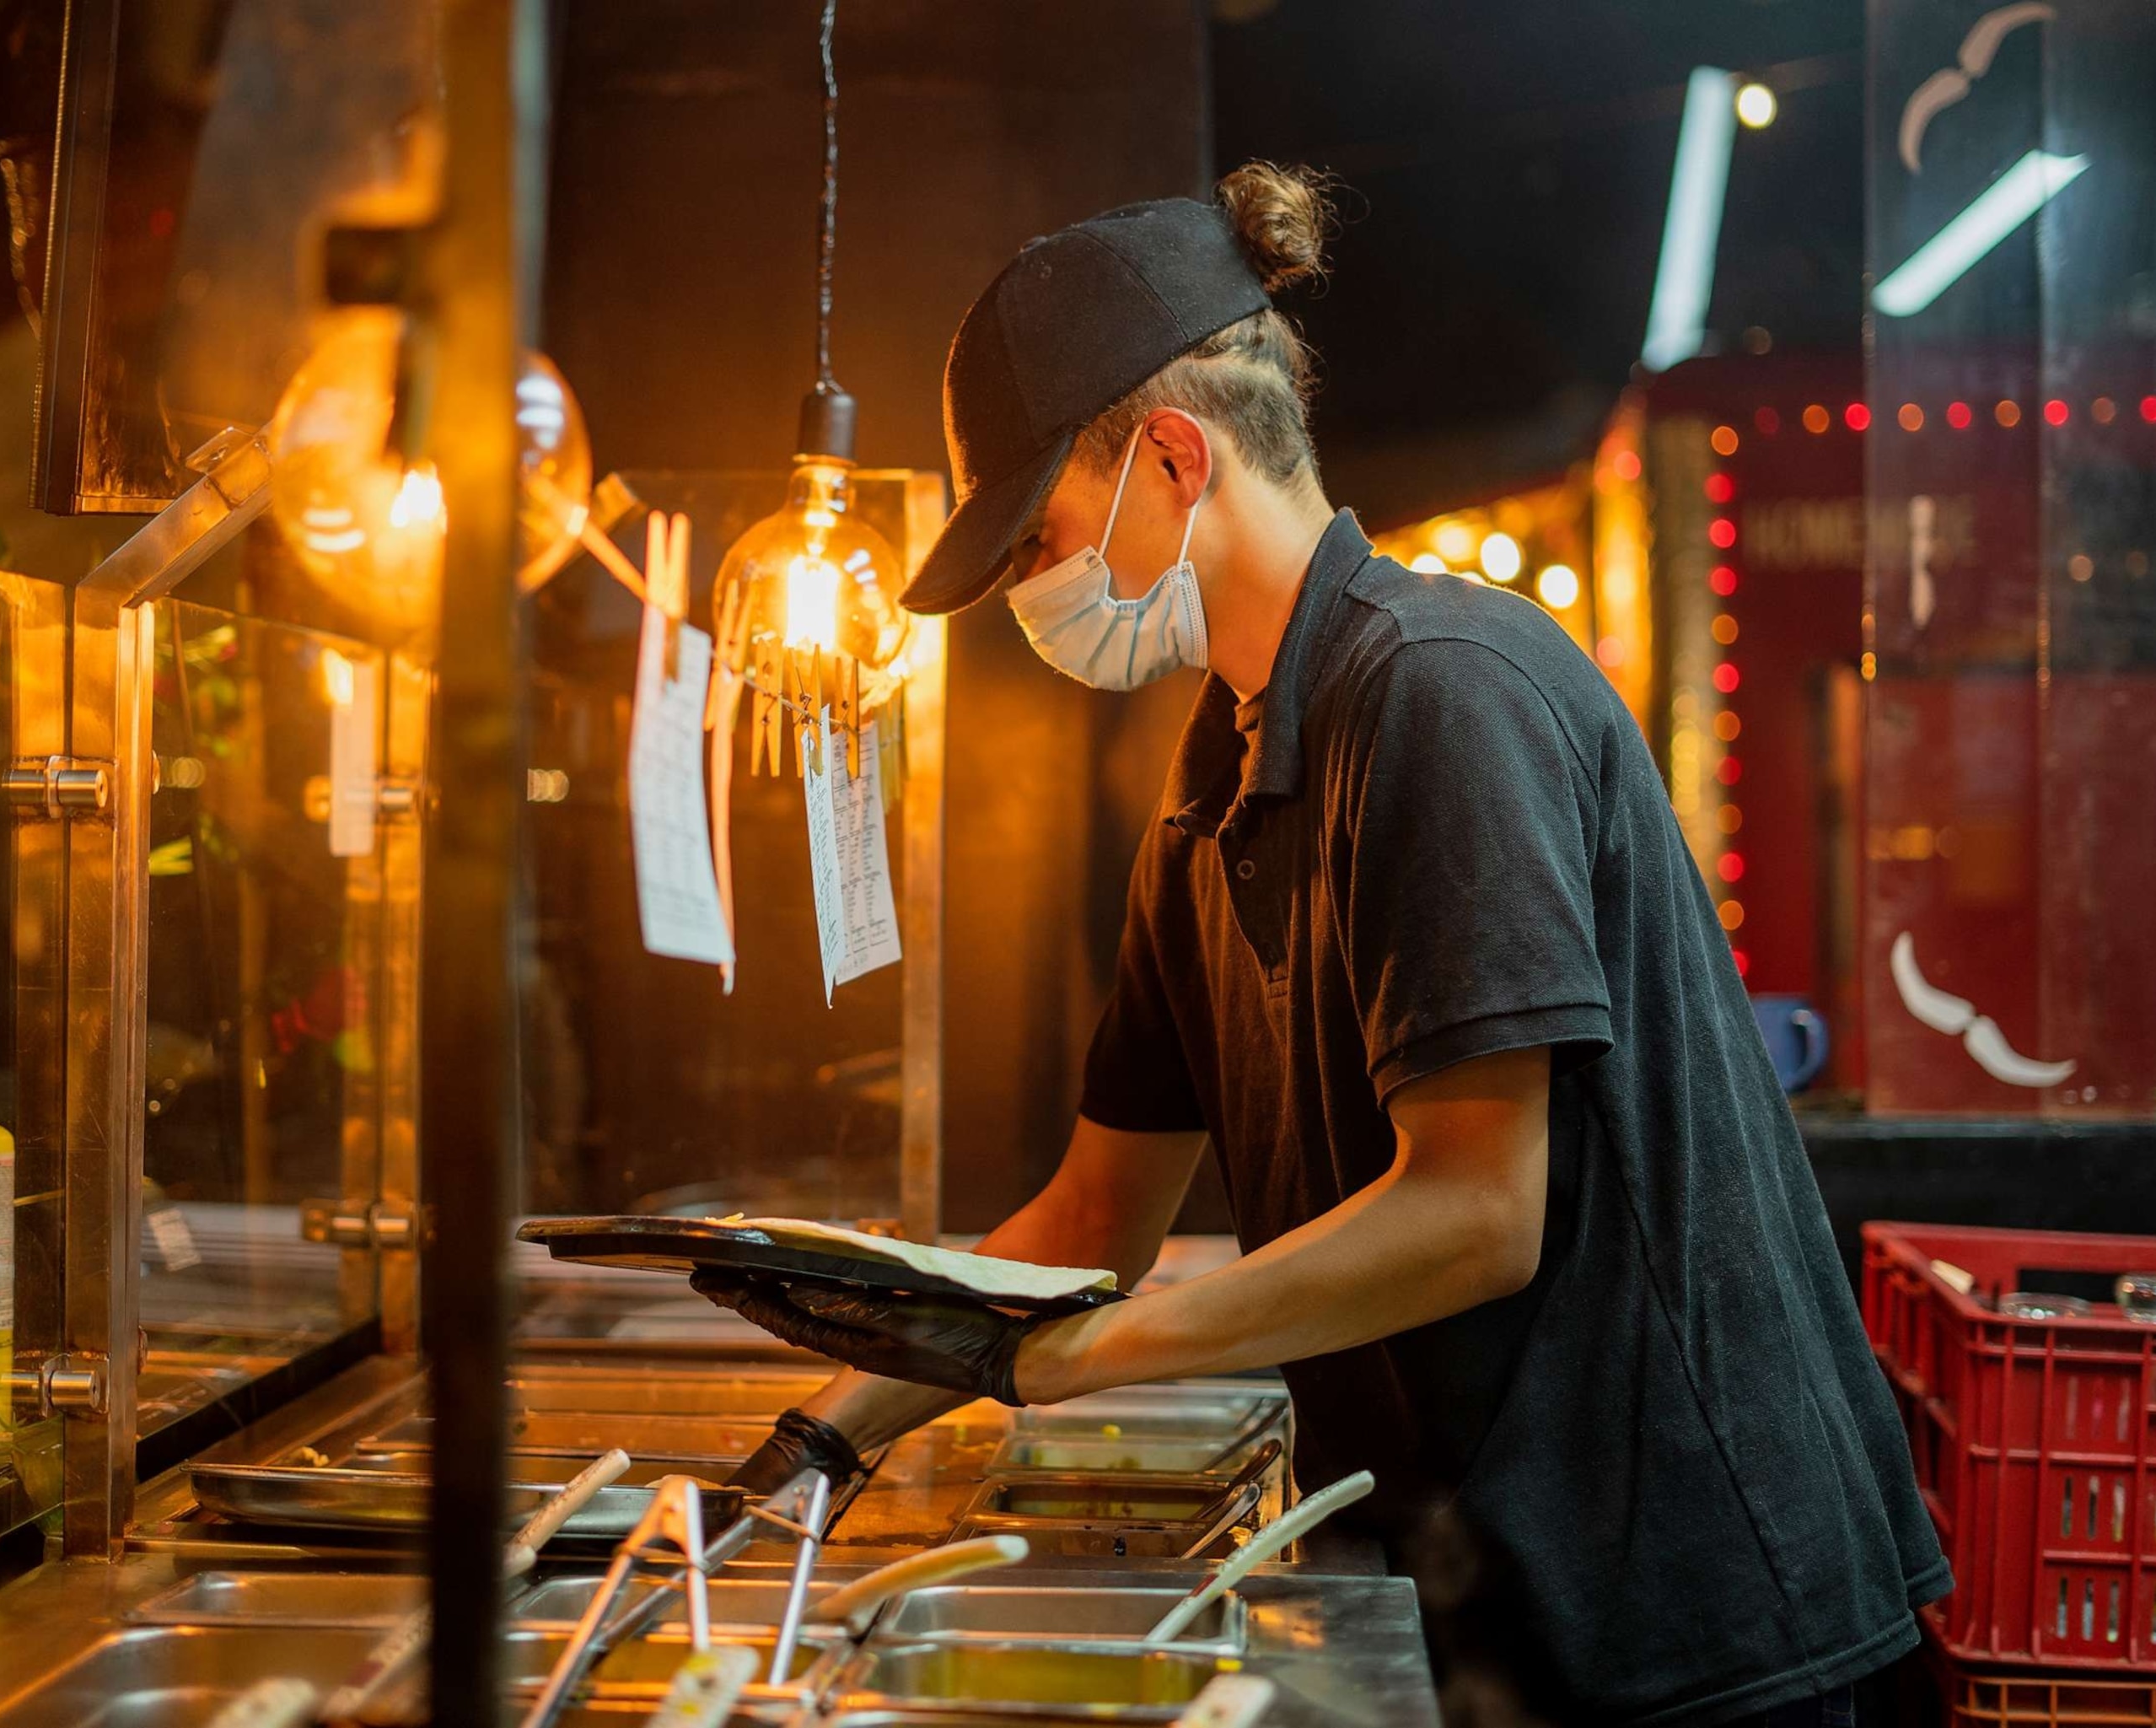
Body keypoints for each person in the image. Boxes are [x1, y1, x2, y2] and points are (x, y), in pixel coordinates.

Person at [695, 164, 1948, 1726]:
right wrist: (828, 1425)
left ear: (1170, 458)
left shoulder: (1441, 690)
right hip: (1493, 1587)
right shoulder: (1213, 779)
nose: (1031, 587)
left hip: (1696, 1615)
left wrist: (1083, 1357)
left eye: (1038, 536)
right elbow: (1094, 1212)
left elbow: (1479, 1212)